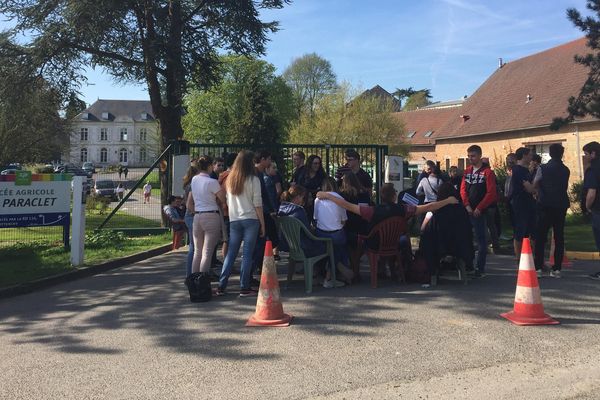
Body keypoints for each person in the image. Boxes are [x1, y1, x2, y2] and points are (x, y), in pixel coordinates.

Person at [217, 150, 266, 297]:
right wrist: (262, 223)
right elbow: (257, 204)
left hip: (234, 219)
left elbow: (226, 200)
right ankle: (244, 286)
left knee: (231, 254)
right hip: (251, 219)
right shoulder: (253, 180)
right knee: (247, 254)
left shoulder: (231, 179)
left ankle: (221, 285)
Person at [420, 182, 474, 280]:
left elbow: (424, 229)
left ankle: (432, 272)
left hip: (440, 245)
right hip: (460, 245)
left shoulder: (437, 212)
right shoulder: (462, 211)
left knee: (427, 241)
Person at [533, 144, 570, 278]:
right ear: (562, 154)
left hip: (545, 204)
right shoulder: (566, 169)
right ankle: (557, 268)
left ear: (550, 153)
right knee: (559, 236)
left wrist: (537, 192)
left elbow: (536, 183)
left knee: (541, 236)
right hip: (560, 205)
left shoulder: (543, 168)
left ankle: (538, 267)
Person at [460, 145, 497, 277]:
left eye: (473, 156)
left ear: (480, 155)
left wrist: (479, 208)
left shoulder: (487, 172)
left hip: (480, 211)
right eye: (469, 156)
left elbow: (491, 193)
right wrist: (467, 206)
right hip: (467, 209)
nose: (470, 158)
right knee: (466, 238)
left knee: (481, 240)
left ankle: (480, 268)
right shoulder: (467, 171)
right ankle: (468, 265)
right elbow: (463, 190)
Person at [187, 156, 226, 276]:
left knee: (197, 252)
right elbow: (223, 199)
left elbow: (191, 200)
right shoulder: (212, 182)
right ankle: (203, 280)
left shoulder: (194, 180)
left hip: (197, 216)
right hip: (211, 215)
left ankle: (193, 280)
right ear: (209, 166)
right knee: (207, 252)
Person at [313, 177, 349, 287]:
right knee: (340, 246)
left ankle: (321, 274)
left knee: (328, 248)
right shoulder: (340, 199)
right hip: (336, 233)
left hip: (321, 233)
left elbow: (316, 218)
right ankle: (331, 276)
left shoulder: (318, 200)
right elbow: (344, 220)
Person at [339, 172, 371, 277]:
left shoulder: (343, 195)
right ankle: (355, 267)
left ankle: (352, 268)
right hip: (363, 228)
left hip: (348, 227)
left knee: (344, 242)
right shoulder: (364, 194)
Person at [251, 150, 275, 278]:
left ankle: (258, 267)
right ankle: (254, 269)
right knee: (260, 242)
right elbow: (261, 196)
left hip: (262, 210)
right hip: (259, 212)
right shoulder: (256, 174)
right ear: (263, 159)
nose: (270, 162)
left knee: (262, 242)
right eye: (269, 159)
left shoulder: (259, 173)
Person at [510, 147, 536, 259]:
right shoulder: (518, 170)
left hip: (529, 203)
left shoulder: (526, 170)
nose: (531, 157)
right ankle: (519, 259)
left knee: (532, 231)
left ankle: (533, 258)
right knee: (520, 231)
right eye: (530, 155)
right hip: (520, 203)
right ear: (524, 156)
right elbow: (529, 188)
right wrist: (536, 187)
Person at [583, 141, 600, 280]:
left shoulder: (593, 170)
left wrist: (588, 206)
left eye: (587, 154)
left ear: (593, 154)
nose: (585, 156)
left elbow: (592, 193)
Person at [218, 152, 238, 261]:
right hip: (230, 211)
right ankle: (228, 262)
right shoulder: (231, 177)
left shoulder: (223, 175)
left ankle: (227, 261)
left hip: (224, 210)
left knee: (228, 239)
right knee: (230, 239)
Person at [182, 164, 199, 277]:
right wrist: (196, 213)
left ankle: (192, 273)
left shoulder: (187, 185)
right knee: (194, 247)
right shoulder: (193, 185)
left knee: (194, 246)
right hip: (192, 215)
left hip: (189, 216)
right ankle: (190, 275)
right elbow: (190, 204)